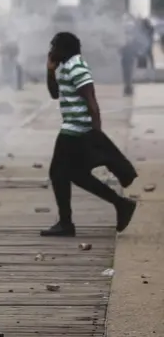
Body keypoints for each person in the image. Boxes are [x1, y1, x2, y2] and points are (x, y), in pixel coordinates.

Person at [43, 32, 138, 237]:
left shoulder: (77, 67)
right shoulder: (67, 67)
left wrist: (97, 134)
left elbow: (92, 101)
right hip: (73, 129)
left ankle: (67, 223)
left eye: (55, 47)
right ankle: (120, 204)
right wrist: (50, 71)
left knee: (58, 174)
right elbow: (54, 94)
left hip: (76, 131)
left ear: (65, 49)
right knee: (75, 175)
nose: (51, 51)